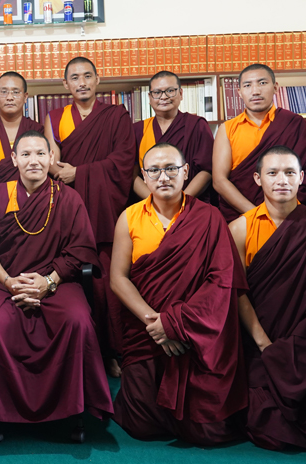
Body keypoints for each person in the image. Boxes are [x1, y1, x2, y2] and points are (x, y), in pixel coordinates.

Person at [0, 131, 113, 428]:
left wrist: (49, 282)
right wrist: (9, 282)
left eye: (40, 154)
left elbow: (80, 249)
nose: (33, 160)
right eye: (26, 154)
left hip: (58, 282)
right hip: (7, 282)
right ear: (14, 159)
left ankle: (73, 409)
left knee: (77, 320)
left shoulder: (68, 197)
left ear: (51, 158)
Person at [110, 143, 247, 444]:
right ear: (144, 176)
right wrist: (157, 324)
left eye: (171, 168)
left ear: (185, 172)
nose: (163, 177)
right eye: (155, 170)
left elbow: (221, 282)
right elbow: (118, 279)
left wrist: (177, 324)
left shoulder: (209, 218)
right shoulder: (129, 217)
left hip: (195, 331)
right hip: (147, 331)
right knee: (141, 425)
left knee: (206, 431)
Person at [227, 146, 306, 452]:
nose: (281, 180)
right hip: (258, 341)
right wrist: (264, 344)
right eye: (272, 173)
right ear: (258, 178)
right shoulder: (240, 228)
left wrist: (299, 345)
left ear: (302, 178)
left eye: (289, 173)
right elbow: (236, 292)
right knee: (263, 424)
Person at [44, 57, 136, 375]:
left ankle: (114, 351)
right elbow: (51, 160)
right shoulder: (55, 117)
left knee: (107, 281)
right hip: (69, 208)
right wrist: (65, 173)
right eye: (74, 77)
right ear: (65, 84)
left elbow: (124, 160)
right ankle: (82, 353)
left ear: (98, 80)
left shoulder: (116, 115)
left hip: (105, 209)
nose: (81, 82)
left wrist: (80, 172)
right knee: (72, 279)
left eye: (87, 76)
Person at [213, 63, 306, 222]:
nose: (255, 91)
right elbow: (219, 181)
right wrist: (256, 214)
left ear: (275, 87)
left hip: (290, 216)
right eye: (247, 85)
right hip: (244, 216)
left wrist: (283, 215)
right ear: (239, 92)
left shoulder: (293, 124)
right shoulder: (227, 129)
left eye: (262, 83)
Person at [133, 71, 214, 203]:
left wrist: (180, 201)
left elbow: (207, 169)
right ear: (150, 97)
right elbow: (132, 174)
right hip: (150, 205)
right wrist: (155, 202)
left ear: (181, 93)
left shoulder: (196, 125)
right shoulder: (138, 130)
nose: (164, 97)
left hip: (190, 203)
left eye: (170, 91)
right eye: (157, 92)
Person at [0, 71, 44, 200]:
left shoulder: (37, 130)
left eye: (16, 92)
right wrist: (0, 204)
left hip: (32, 202)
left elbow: (41, 173)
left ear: (25, 97)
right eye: (4, 92)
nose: (9, 97)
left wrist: (29, 204)